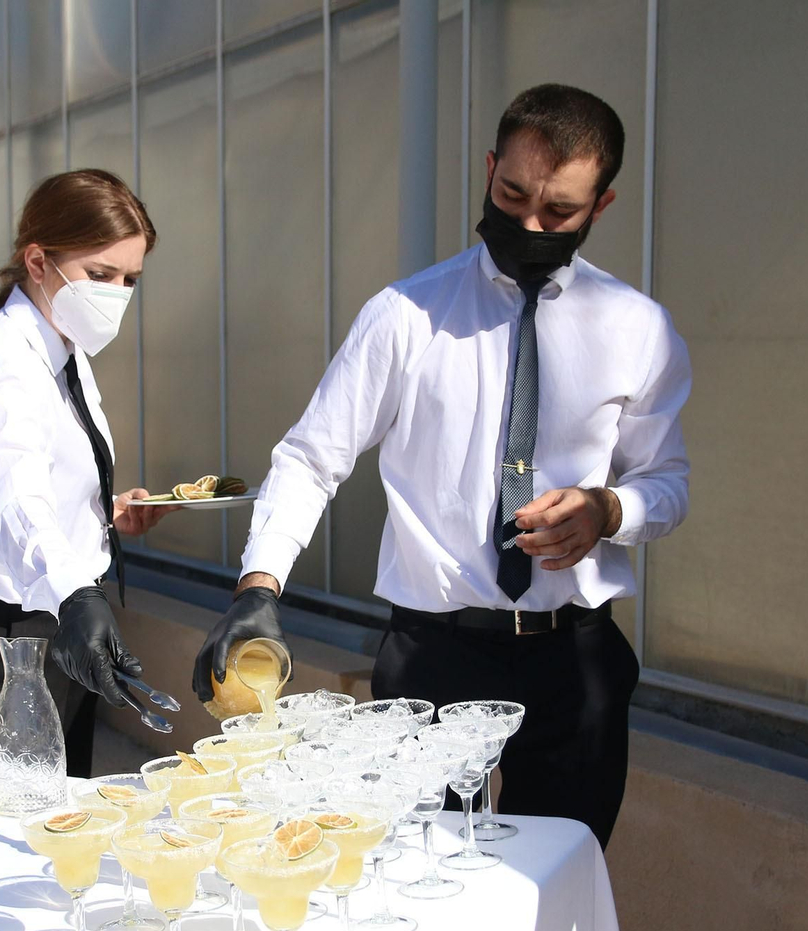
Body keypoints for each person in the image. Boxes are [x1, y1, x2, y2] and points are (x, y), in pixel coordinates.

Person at [192, 85, 691, 848]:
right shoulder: (404, 315)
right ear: (489, 168)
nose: (528, 222)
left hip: (575, 666)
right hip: (434, 662)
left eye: (558, 211)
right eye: (511, 193)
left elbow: (667, 482)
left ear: (603, 204)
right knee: (413, 885)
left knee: (553, 886)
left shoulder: (637, 328)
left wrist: (607, 510)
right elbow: (310, 457)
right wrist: (258, 589)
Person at [0, 169, 175, 777]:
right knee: (11, 833)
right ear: (38, 262)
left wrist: (102, 510)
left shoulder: (63, 347)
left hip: (54, 618)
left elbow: (41, 478)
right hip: (5, 637)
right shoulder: (4, 367)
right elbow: (12, 500)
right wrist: (75, 594)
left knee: (65, 822)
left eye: (130, 280)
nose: (116, 293)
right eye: (100, 274)